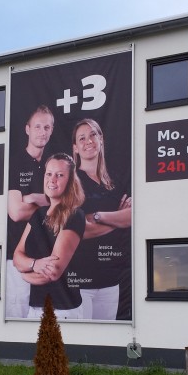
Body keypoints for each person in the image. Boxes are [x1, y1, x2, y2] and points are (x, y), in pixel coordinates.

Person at [70, 118, 132, 320]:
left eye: (93, 135)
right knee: (81, 338)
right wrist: (117, 219)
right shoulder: (71, 182)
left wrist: (97, 217)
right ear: (75, 147)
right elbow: (80, 230)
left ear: (101, 139)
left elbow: (132, 217)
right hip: (80, 282)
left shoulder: (115, 181)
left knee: (106, 337)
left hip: (110, 281)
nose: (88, 141)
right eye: (82, 138)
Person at [12, 153, 86, 319]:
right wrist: (35, 264)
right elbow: (17, 257)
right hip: (35, 308)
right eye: (49, 174)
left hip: (63, 311)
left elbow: (52, 273)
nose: (52, 180)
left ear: (70, 181)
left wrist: (24, 274)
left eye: (59, 175)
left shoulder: (75, 216)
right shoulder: (38, 214)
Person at [5, 105, 55, 318]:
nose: (42, 132)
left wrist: (32, 198)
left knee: (41, 320)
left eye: (47, 127)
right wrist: (47, 203)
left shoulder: (51, 165)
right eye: (38, 126)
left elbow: (64, 203)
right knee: (17, 317)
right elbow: (16, 212)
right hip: (17, 259)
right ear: (27, 129)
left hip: (46, 258)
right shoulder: (14, 163)